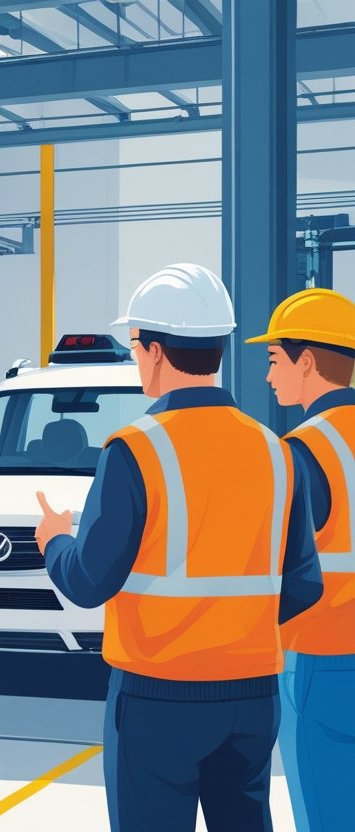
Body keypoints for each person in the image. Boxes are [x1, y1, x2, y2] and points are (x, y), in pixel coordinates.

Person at [36, 263, 323, 832]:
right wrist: (233, 628)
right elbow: (304, 583)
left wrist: (55, 541)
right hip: (251, 697)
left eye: (137, 345)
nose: (137, 358)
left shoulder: (133, 449)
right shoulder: (275, 452)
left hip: (155, 696)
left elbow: (90, 581)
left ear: (157, 351)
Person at [247, 287, 355, 831]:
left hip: (324, 657)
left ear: (307, 360)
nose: (269, 377)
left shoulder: (304, 448)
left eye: (274, 359)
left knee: (326, 813)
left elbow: (272, 561)